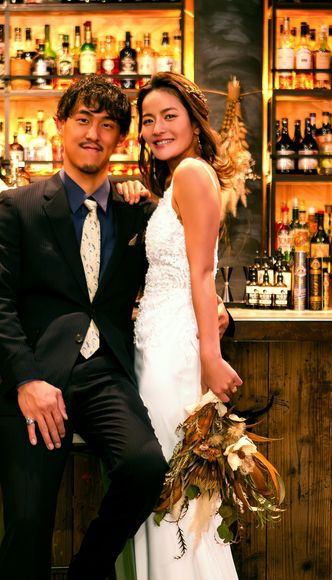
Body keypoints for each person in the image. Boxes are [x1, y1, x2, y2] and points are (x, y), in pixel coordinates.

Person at [0, 75, 172, 580]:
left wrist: (219, 310)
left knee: (147, 470)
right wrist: (25, 380)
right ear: (60, 126)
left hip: (104, 375)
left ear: (120, 140)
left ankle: (88, 571)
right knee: (27, 523)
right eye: (83, 120)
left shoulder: (139, 212)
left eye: (107, 125)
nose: (93, 133)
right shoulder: (17, 206)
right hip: (32, 376)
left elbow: (179, 270)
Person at [132, 71, 243, 579]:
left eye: (169, 116)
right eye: (148, 120)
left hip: (173, 352)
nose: (157, 128)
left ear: (195, 123)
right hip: (158, 342)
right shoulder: (178, 180)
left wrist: (210, 357)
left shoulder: (193, 174)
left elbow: (201, 274)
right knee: (168, 492)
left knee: (176, 495)